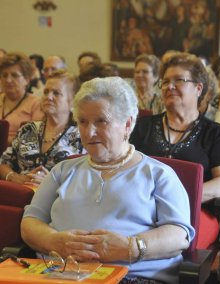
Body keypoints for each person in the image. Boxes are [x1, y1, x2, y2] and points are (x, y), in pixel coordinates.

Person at [21, 77, 195, 283]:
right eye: (83, 122)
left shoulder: (158, 174)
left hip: (131, 277)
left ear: (128, 124)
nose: (89, 132)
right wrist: (53, 241)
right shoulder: (62, 171)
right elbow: (30, 222)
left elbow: (179, 235)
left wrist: (131, 247)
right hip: (60, 274)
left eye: (101, 121)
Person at [130, 53, 220, 249]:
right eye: (165, 82)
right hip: (143, 210)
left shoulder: (215, 133)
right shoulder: (141, 128)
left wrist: (176, 197)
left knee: (156, 245)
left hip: (194, 212)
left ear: (198, 88)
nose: (169, 86)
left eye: (179, 80)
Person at [0, 70, 84, 188]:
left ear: (72, 101)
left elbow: (86, 179)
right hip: (21, 194)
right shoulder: (28, 129)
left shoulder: (82, 135)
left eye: (56, 93)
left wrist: (53, 182)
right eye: (46, 92)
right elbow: (3, 163)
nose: (49, 97)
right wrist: (15, 177)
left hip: (58, 199)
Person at [0, 52, 44, 144]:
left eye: (14, 75)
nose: (8, 80)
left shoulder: (36, 104)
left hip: (18, 155)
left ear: (27, 79)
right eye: (4, 75)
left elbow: (34, 139)